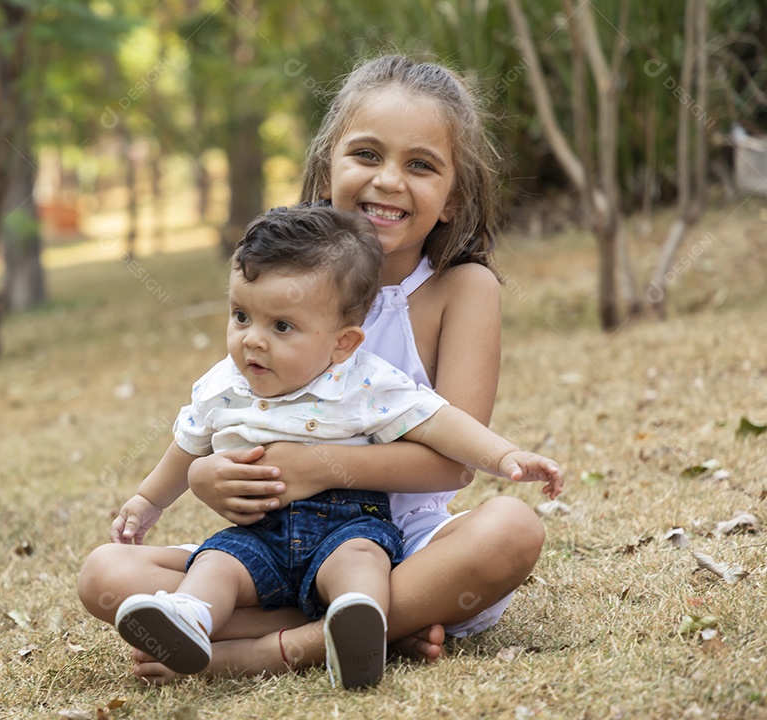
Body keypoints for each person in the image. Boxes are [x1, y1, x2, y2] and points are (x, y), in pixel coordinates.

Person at [79, 54, 548, 684]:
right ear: (328, 168)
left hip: (408, 547)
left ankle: (267, 651)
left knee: (512, 530)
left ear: (453, 197)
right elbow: (229, 409)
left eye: (420, 164)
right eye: (366, 155)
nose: (388, 181)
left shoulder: (460, 289)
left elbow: (452, 461)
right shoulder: (286, 284)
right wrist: (212, 475)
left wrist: (307, 468)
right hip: (269, 547)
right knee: (105, 576)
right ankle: (376, 626)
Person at [109, 205, 563, 690]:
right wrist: (148, 500)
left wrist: (503, 455)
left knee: (361, 561)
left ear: (343, 343)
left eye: (281, 327)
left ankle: (345, 629)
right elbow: (187, 446)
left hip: (347, 528)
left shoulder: (361, 379)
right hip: (257, 539)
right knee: (204, 565)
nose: (252, 342)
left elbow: (437, 422)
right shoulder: (223, 383)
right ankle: (191, 620)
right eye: (241, 316)